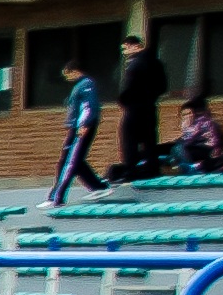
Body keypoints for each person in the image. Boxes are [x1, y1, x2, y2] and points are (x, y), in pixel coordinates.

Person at [48, 59, 112, 206]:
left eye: (67, 75)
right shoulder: (80, 86)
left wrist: (84, 125)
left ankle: (57, 198)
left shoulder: (86, 84)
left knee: (71, 162)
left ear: (75, 71)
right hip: (75, 128)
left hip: (81, 128)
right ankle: (98, 186)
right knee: (73, 160)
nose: (67, 78)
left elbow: (89, 107)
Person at [116, 32, 169, 182]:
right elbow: (163, 86)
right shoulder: (156, 62)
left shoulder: (134, 64)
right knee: (149, 138)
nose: (124, 52)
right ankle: (152, 168)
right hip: (150, 106)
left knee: (129, 139)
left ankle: (130, 171)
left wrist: (123, 100)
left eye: (125, 48)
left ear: (135, 46)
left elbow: (128, 87)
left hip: (134, 107)